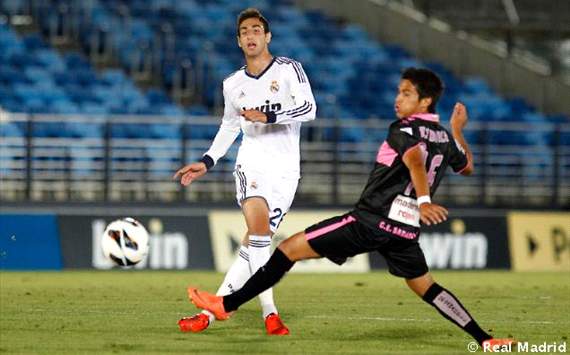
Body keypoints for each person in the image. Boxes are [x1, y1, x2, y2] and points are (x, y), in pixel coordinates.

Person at [187, 68, 514, 348]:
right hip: (404, 230)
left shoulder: (402, 129)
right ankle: (484, 339)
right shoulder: (443, 136)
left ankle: (226, 305)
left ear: (425, 101)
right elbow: (467, 165)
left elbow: (414, 158)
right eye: (399, 92)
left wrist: (425, 200)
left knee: (287, 250)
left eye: (406, 93)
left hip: (370, 221)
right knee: (426, 286)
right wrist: (457, 131)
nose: (398, 99)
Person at [173, 8, 316, 335]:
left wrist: (268, 116)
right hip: (251, 164)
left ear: (267, 37)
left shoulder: (289, 70)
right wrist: (207, 160)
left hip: (286, 171)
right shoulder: (233, 84)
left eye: (256, 30)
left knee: (253, 245)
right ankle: (270, 313)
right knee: (259, 231)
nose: (250, 36)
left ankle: (212, 313)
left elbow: (309, 109)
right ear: (239, 42)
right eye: (244, 32)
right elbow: (229, 126)